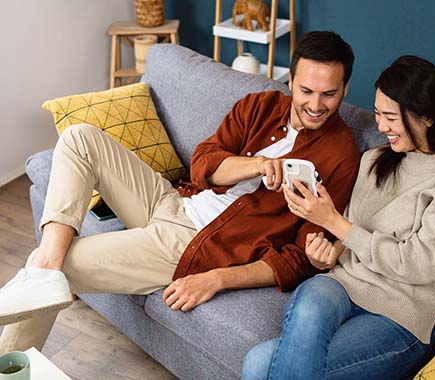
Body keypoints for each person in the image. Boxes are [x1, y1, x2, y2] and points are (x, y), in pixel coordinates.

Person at [0, 31, 361, 354]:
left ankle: (13, 352)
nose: (316, 105)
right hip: (174, 199)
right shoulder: (260, 105)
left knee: (57, 262)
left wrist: (217, 278)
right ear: (291, 80)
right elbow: (203, 163)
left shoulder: (342, 156)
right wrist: (254, 166)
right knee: (79, 137)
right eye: (306, 91)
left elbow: (298, 258)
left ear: (345, 88)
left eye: (329, 94)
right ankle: (46, 269)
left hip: (193, 243)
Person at [242, 55, 435, 380]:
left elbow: (420, 265)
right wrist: (327, 253)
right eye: (378, 114)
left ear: (428, 116)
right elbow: (349, 241)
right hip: (344, 286)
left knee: (257, 364)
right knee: (310, 301)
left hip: (405, 311)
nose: (380, 127)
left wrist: (334, 222)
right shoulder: (374, 160)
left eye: (390, 117)